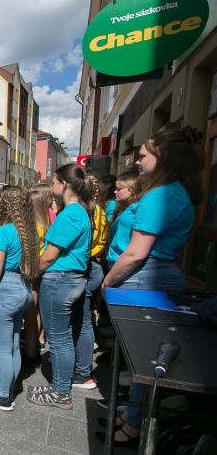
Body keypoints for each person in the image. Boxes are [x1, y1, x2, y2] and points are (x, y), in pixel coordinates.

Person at [99, 129, 204, 446]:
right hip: (149, 276)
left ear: (164, 159)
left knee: (141, 361)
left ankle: (133, 425)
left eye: (143, 154)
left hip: (144, 277)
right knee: (139, 361)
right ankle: (131, 416)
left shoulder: (162, 195)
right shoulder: (170, 192)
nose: (137, 160)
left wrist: (108, 281)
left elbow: (136, 252)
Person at [28, 163, 93, 410]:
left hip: (60, 281)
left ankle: (60, 393)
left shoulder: (71, 213)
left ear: (63, 184)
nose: (52, 186)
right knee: (62, 337)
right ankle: (60, 386)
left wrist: (29, 272)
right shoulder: (78, 211)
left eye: (54, 181)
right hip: (70, 279)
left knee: (58, 340)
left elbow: (48, 256)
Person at [0, 186, 39, 410]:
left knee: (2, 350)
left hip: (4, 290)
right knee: (11, 346)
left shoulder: (3, 232)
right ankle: (8, 387)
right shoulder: (30, 232)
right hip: (22, 287)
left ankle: (3, 397)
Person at [75, 175, 107, 391]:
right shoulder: (100, 211)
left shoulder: (85, 212)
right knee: (83, 320)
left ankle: (84, 371)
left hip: (87, 266)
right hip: (94, 263)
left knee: (83, 322)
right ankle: (81, 365)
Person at [23, 184, 52, 366]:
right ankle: (35, 345)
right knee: (35, 314)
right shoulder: (46, 223)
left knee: (30, 316)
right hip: (41, 273)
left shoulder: (35, 227)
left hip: (33, 273)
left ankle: (30, 352)